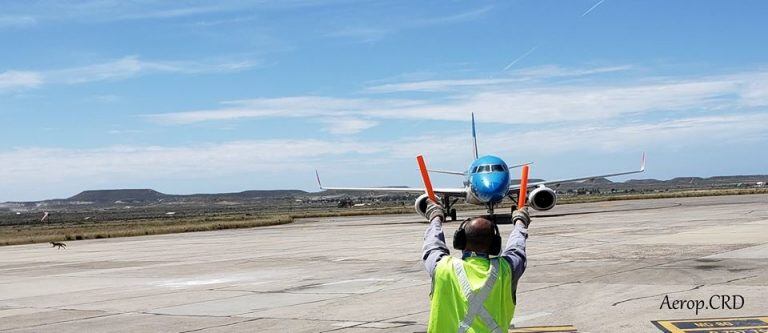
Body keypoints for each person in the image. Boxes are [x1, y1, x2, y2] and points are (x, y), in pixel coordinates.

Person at [422, 200, 530, 333]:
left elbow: (432, 245)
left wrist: (435, 216)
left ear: (460, 241)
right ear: (494, 246)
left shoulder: (442, 268)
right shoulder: (506, 270)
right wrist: (520, 221)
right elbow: (517, 249)